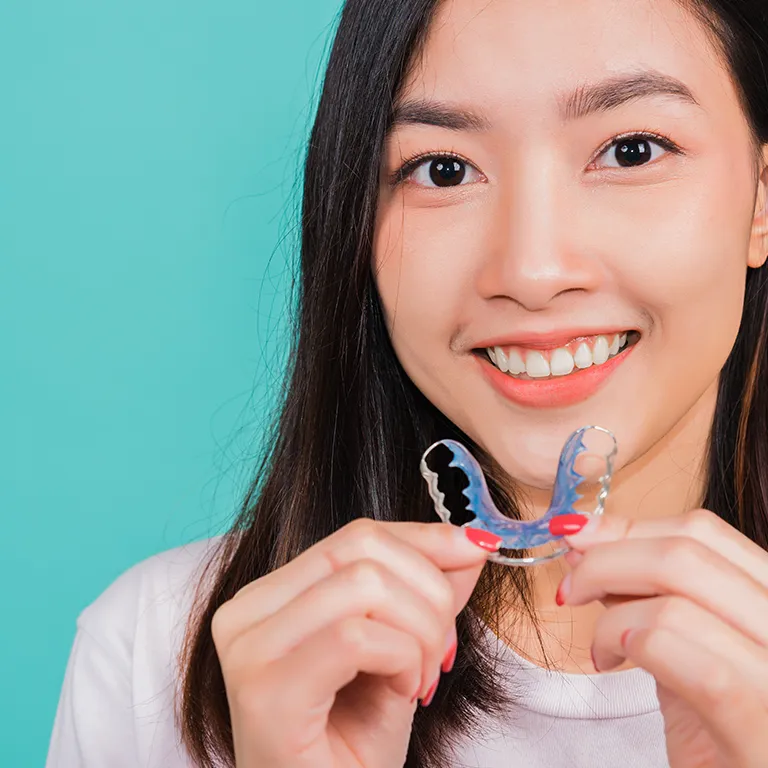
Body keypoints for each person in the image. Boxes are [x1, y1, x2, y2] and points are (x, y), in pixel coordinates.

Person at [46, 0, 768, 766]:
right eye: (443, 169)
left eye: (631, 150)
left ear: (760, 197)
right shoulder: (154, 656)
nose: (531, 272)